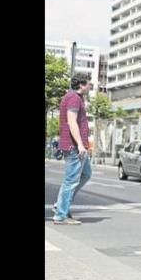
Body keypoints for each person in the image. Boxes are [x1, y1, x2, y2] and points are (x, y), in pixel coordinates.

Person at [52, 73, 93, 225]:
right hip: (74, 146)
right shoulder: (74, 98)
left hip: (77, 146)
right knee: (70, 181)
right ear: (82, 85)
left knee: (86, 174)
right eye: (89, 84)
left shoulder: (75, 98)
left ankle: (61, 205)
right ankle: (60, 215)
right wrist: (80, 144)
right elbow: (72, 122)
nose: (90, 86)